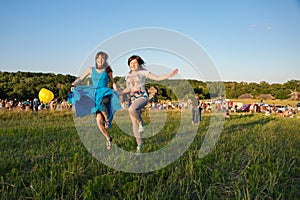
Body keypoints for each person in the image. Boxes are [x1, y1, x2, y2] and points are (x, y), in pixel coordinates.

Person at [119, 55, 178, 153]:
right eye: (131, 63)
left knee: (131, 110)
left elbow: (158, 78)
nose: (133, 65)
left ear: (139, 64)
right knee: (134, 124)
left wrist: (170, 74)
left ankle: (142, 122)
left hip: (142, 96)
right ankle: (139, 145)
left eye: (135, 63)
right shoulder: (127, 75)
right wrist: (120, 92)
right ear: (129, 65)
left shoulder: (143, 72)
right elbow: (128, 89)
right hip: (132, 99)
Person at [72, 51, 122, 150]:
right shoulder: (90, 69)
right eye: (98, 58)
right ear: (96, 59)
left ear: (105, 60)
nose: (100, 60)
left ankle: (107, 119)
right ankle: (108, 138)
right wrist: (73, 85)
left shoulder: (108, 70)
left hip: (105, 92)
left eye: (102, 58)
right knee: (98, 120)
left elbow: (113, 82)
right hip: (94, 93)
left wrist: (117, 92)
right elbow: (81, 79)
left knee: (102, 101)